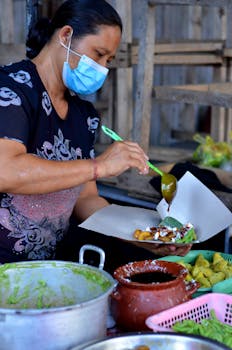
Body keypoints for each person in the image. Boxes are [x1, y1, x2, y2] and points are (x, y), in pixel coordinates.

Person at [0, 0, 190, 271]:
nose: (103, 68)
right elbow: (5, 171)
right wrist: (99, 166)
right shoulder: (12, 91)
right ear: (66, 36)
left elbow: (85, 199)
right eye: (98, 54)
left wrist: (142, 234)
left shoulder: (83, 115)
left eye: (109, 60)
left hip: (48, 269)